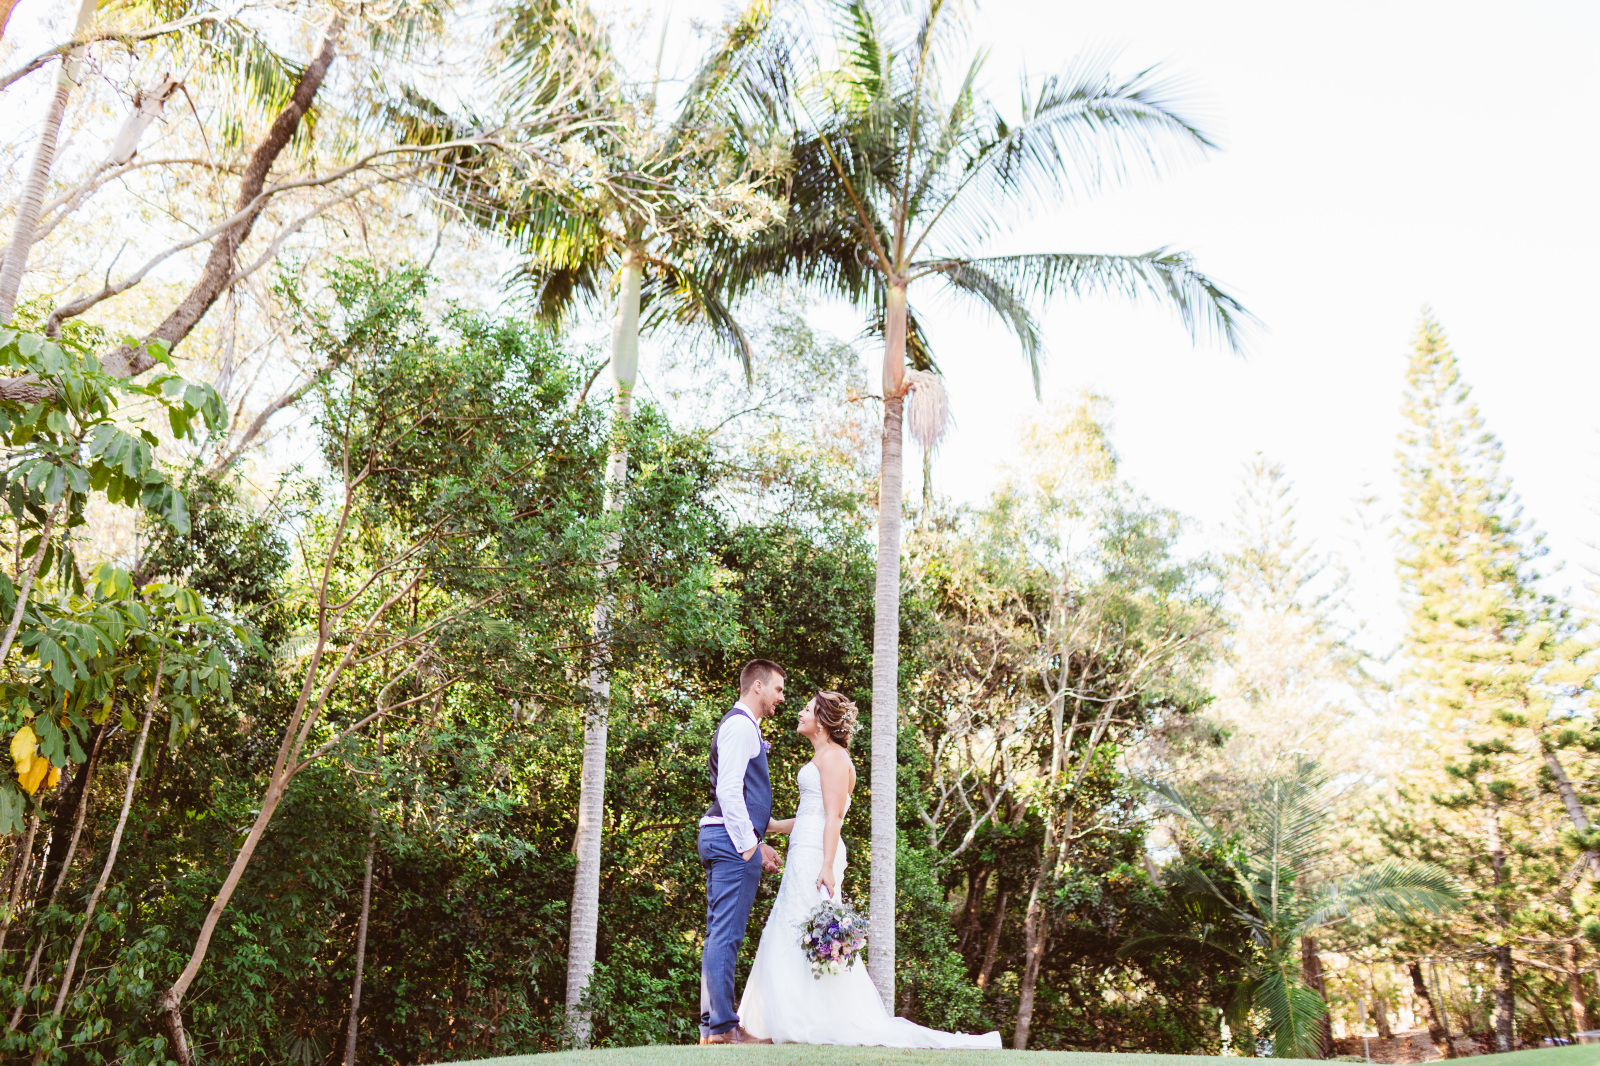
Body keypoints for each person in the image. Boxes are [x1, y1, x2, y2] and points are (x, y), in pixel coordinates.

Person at [737, 690, 1001, 1048]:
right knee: (791, 928)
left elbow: (833, 818)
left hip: (818, 855)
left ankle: (806, 1022)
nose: (800, 712)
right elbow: (812, 816)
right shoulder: (823, 755)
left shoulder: (834, 757)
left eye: (807, 709)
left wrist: (827, 866)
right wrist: (773, 826)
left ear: (822, 721)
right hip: (806, 847)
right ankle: (783, 1020)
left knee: (803, 930)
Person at [697, 659, 785, 1044]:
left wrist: (760, 841)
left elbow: (744, 797)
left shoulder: (745, 726)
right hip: (731, 843)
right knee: (726, 935)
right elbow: (729, 791)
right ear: (758, 686)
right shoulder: (740, 726)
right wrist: (751, 847)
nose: (781, 697)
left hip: (727, 839)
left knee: (719, 933)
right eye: (778, 689)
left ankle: (711, 1027)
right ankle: (723, 1027)